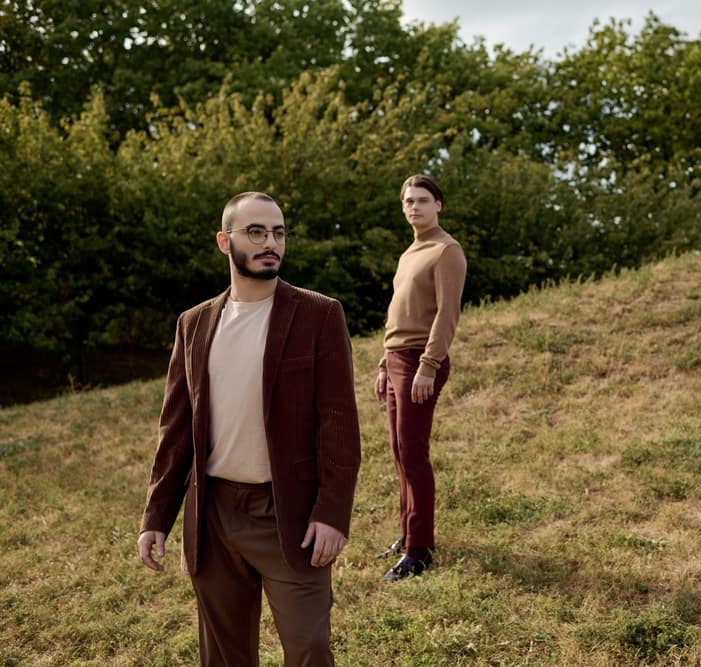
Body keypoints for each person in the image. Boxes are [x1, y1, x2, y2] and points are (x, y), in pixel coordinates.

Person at [137, 192, 362, 665]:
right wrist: (157, 517)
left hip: (290, 515)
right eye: (256, 232)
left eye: (278, 233)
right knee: (223, 656)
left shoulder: (319, 314)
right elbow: (175, 430)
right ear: (225, 241)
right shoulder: (193, 324)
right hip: (214, 515)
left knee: (309, 647)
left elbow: (339, 423)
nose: (271, 243)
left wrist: (332, 512)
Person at [374, 174, 466, 582]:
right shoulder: (410, 252)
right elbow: (399, 311)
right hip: (396, 359)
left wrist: (429, 365)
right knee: (398, 452)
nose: (414, 207)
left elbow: (447, 315)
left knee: (413, 454)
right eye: (409, 200)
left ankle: (420, 550)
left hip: (418, 361)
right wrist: (382, 363)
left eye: (423, 200)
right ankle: (408, 532)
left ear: (439, 205)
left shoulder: (446, 251)